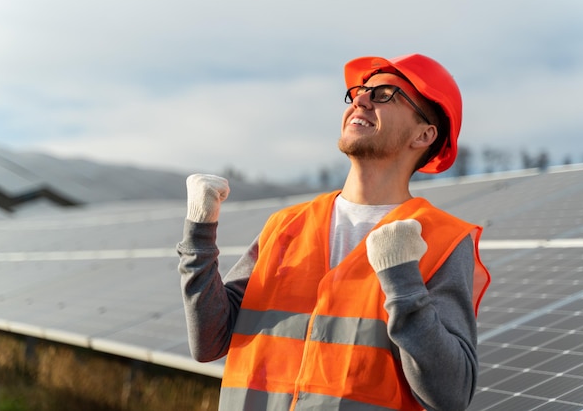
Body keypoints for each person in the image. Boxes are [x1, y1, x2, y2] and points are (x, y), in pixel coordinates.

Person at [177, 53, 491, 411]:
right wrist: (199, 235)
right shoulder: (286, 226)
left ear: (424, 134)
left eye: (385, 94)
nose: (360, 99)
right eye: (360, 91)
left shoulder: (441, 240)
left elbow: (451, 395)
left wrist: (403, 280)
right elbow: (208, 341)